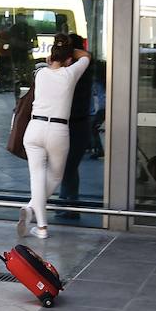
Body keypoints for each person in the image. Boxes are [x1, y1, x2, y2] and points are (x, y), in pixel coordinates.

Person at [17, 37, 90, 239]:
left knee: (37, 177)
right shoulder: (70, 74)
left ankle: (40, 225)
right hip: (58, 130)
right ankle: (33, 211)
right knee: (56, 176)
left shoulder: (40, 74)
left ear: (51, 56)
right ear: (68, 60)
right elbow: (86, 57)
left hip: (34, 128)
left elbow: (53, 62)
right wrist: (70, 52)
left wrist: (58, 54)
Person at [56, 34, 94, 219]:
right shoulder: (81, 70)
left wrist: (69, 50)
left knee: (67, 167)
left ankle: (68, 204)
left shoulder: (75, 72)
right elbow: (87, 56)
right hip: (78, 125)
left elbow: (86, 56)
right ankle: (69, 203)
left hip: (74, 126)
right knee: (68, 167)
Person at [7, 14, 37, 98]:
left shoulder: (14, 28)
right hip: (22, 56)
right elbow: (35, 42)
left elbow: (12, 42)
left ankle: (20, 101)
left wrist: (25, 45)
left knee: (19, 78)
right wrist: (29, 46)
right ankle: (25, 100)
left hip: (18, 57)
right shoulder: (29, 28)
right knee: (26, 77)